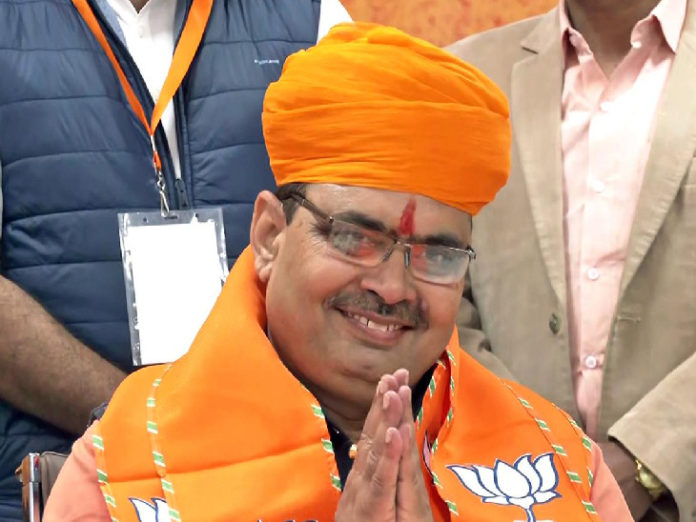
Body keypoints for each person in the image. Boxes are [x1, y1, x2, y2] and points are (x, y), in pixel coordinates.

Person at [43, 23, 632, 521]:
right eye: (355, 238)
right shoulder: (124, 467)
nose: (393, 288)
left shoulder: (562, 465)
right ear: (270, 236)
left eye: (436, 254)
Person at [0, 0, 350, 518]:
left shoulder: (310, 18)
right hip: (61, 480)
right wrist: (158, 423)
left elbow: (367, 244)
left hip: (280, 480)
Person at [448, 0, 696, 520]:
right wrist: (530, 451)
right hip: (504, 492)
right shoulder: (463, 77)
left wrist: (647, 460)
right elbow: (434, 281)